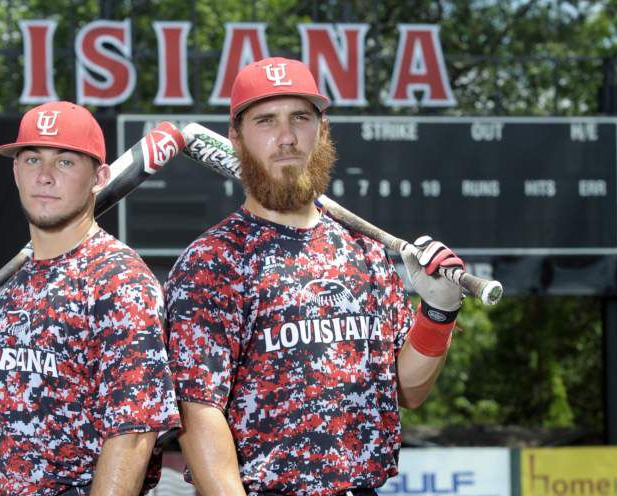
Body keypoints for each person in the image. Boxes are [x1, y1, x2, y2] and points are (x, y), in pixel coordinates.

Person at [164, 57, 466, 495]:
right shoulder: (212, 262)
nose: (286, 137)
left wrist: (438, 312)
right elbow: (198, 413)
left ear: (321, 130)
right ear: (236, 138)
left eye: (300, 118)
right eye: (266, 120)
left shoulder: (365, 252)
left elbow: (407, 390)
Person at [0, 101, 181, 496]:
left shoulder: (118, 280)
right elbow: (11, 420)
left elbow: (133, 434)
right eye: (31, 159)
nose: (44, 176)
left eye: (64, 163)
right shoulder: (10, 292)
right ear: (15, 171)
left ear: (99, 177)